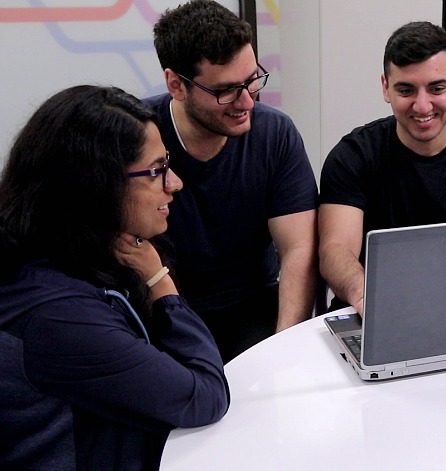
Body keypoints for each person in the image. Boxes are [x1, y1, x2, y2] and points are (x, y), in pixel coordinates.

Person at [0, 85, 229, 470]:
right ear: (98, 185)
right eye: (157, 171)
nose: (174, 183)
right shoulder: (59, 317)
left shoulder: (72, 251)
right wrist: (160, 281)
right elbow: (204, 397)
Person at [145, 0, 319, 362]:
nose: (248, 102)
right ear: (176, 84)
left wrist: (285, 349)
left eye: (252, 80)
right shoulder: (136, 136)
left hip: (254, 305)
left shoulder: (275, 134)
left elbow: (298, 250)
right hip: (161, 307)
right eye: (226, 91)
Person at [319, 21, 446, 314]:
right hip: (369, 311)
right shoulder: (353, 156)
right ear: (386, 87)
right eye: (406, 90)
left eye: (437, 88)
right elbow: (336, 251)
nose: (423, 106)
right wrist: (365, 295)